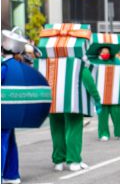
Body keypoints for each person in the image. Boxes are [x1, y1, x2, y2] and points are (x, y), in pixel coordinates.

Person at [35, 23, 102, 172]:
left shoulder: (46, 63)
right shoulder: (79, 62)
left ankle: (58, 161)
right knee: (73, 129)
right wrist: (97, 99)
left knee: (56, 129)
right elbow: (88, 82)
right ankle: (74, 161)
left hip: (52, 100)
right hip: (73, 101)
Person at [1, 28, 52, 184]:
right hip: (14, 111)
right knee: (9, 142)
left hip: (3, 110)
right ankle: (11, 174)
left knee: (2, 141)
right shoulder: (21, 66)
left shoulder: (4, 68)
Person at [89, 35, 120, 141]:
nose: (106, 53)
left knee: (117, 113)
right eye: (103, 51)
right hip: (101, 93)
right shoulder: (94, 61)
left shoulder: (115, 61)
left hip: (113, 93)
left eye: (107, 52)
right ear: (100, 52)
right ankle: (103, 133)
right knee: (102, 115)